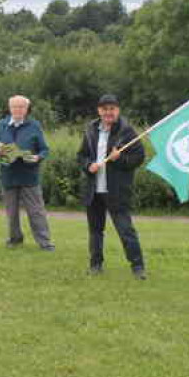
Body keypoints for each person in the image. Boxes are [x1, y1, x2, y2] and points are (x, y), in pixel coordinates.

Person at [77, 94, 147, 279]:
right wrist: (87, 165)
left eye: (112, 109)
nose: (108, 112)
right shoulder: (91, 130)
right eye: (105, 109)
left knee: (125, 230)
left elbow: (139, 157)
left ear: (118, 110)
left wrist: (120, 159)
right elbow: (81, 156)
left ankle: (138, 267)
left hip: (116, 191)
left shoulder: (127, 131)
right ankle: (95, 265)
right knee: (95, 231)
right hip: (94, 190)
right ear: (99, 111)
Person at [0, 95, 55, 251]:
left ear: (26, 109)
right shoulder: (1, 125)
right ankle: (15, 239)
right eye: (14, 107)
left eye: (21, 107)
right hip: (8, 174)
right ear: (9, 108)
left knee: (36, 211)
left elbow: (45, 150)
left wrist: (37, 157)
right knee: (11, 211)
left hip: (29, 175)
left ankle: (45, 242)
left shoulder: (34, 126)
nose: (17, 110)